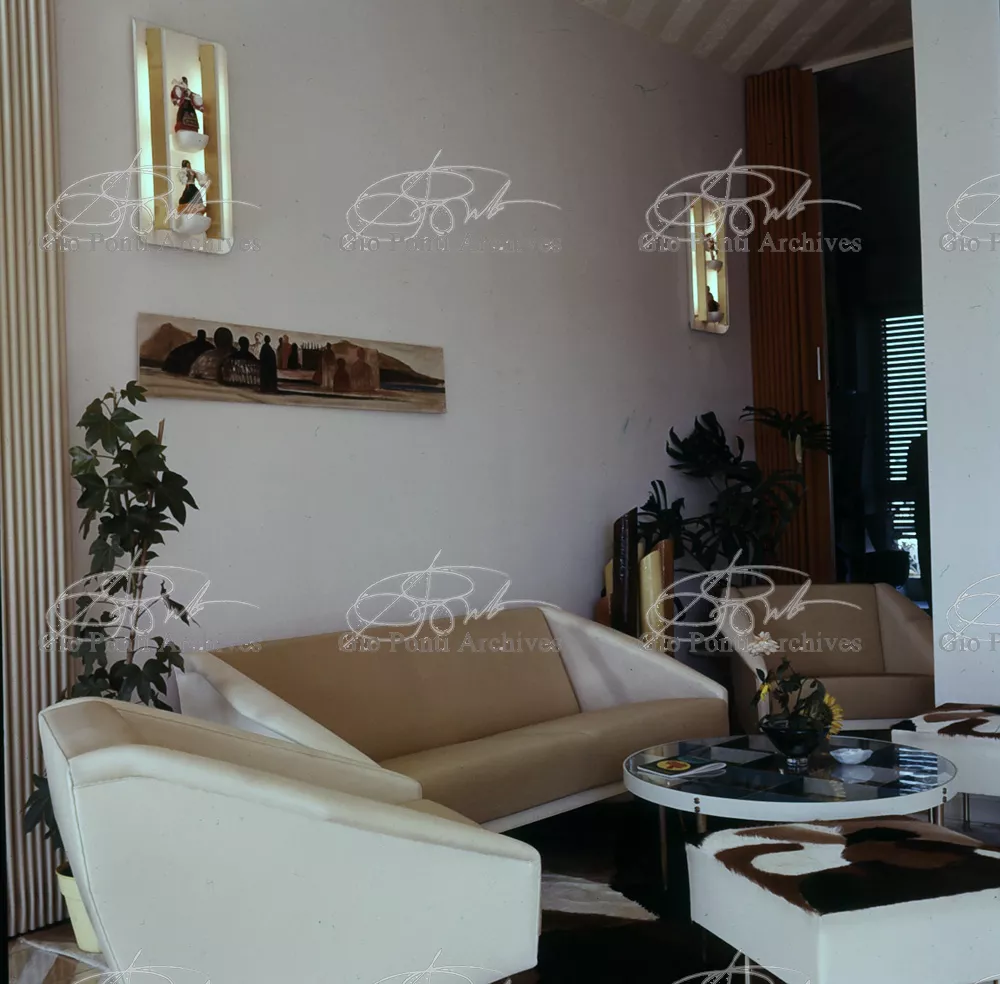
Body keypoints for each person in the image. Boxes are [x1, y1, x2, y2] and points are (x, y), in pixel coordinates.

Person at [906, 412, 931, 609]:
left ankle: (932, 604)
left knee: (927, 558)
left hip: (923, 510)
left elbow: (910, 483)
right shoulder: (917, 445)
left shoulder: (916, 445)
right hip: (925, 510)